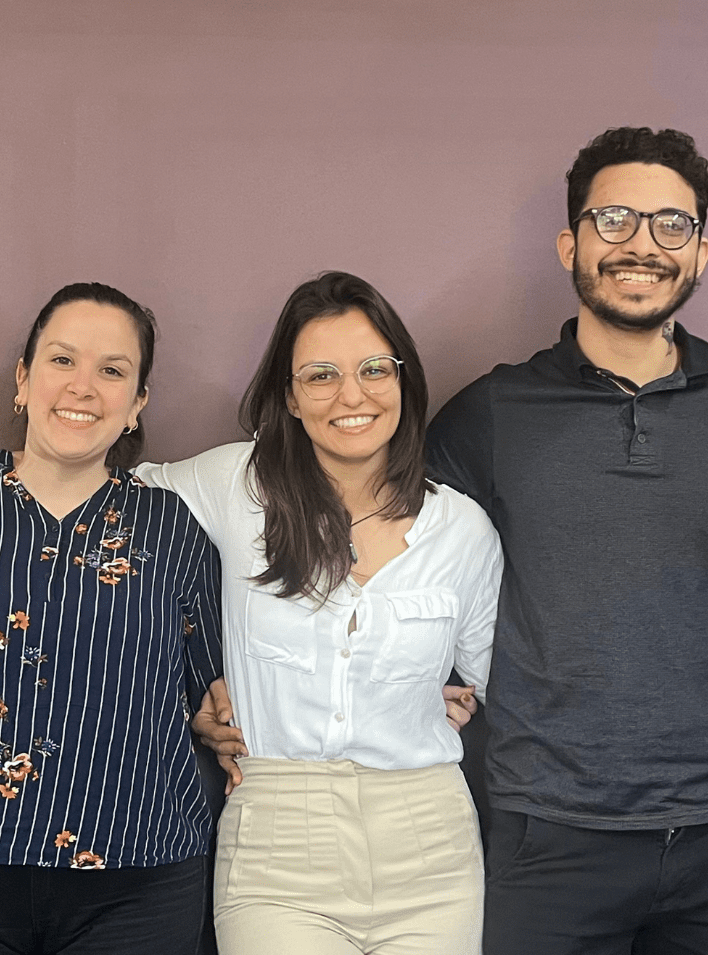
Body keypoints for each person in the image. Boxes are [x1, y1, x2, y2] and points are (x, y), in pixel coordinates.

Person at [424, 127, 708, 955]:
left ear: (700, 253)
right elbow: (397, 569)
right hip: (548, 829)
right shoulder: (491, 412)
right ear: (571, 243)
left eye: (672, 225)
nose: (641, 245)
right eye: (615, 218)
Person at [136, 272, 503, 954]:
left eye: (373, 369)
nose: (352, 395)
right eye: (322, 375)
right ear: (290, 397)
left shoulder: (463, 530)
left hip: (430, 842)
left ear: (404, 379)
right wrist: (190, 687)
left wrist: (427, 695)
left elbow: (493, 680)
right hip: (278, 841)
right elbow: (102, 497)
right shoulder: (236, 484)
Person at [0, 283, 223, 954]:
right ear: (24, 379)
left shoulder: (172, 526)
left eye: (112, 370)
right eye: (63, 360)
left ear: (137, 403)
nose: (83, 387)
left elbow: (216, 689)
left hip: (137, 881)